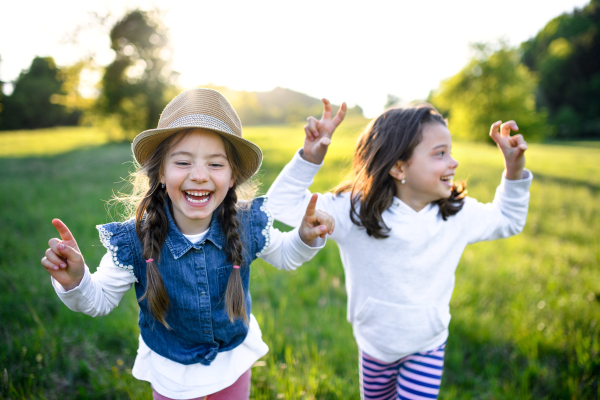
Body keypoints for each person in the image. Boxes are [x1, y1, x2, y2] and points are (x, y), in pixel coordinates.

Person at [41, 88, 335, 400]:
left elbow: (287, 256)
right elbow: (98, 301)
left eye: (215, 164)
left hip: (231, 367)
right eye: (183, 162)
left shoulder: (246, 224)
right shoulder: (135, 240)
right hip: (173, 378)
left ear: (232, 176)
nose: (198, 175)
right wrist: (76, 282)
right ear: (161, 173)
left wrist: (304, 238)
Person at [266, 100, 532, 400]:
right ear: (398, 166)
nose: (453, 162)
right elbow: (279, 206)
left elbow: (508, 220)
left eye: (451, 151)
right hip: (375, 345)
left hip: (427, 344)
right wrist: (309, 158)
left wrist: (514, 169)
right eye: (440, 153)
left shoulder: (457, 214)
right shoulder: (354, 211)